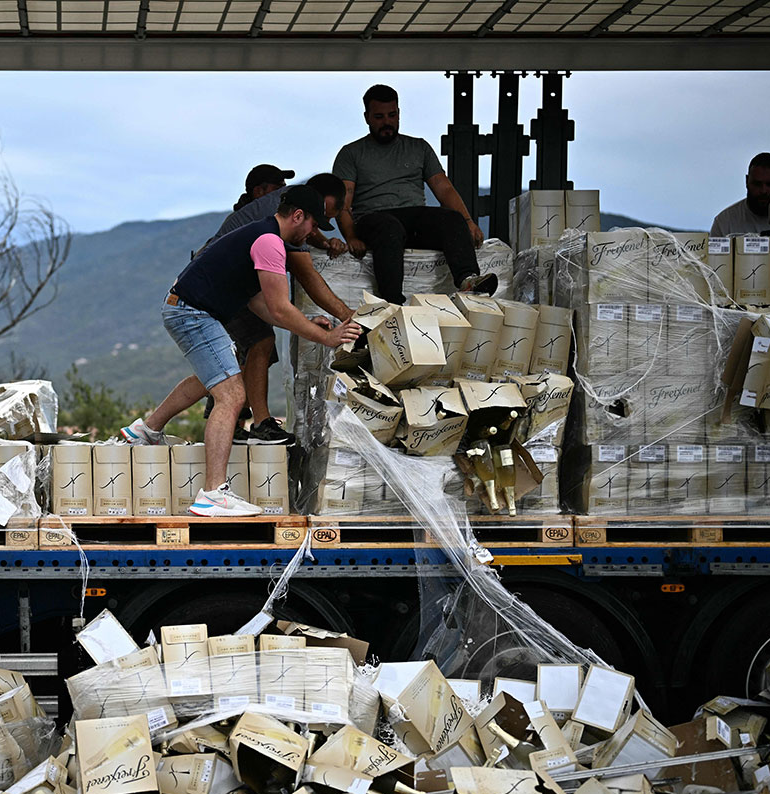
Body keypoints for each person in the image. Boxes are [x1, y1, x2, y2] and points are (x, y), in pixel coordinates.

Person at [121, 186, 362, 517]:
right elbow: (278, 310)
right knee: (232, 394)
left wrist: (305, 321)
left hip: (189, 307)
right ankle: (213, 495)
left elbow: (259, 302)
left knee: (218, 374)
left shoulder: (263, 236)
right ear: (297, 216)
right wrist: (329, 337)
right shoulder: (269, 242)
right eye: (312, 225)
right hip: (192, 311)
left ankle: (145, 430)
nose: (313, 234)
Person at [196, 171, 356, 445]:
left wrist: (324, 242)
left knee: (245, 355)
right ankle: (260, 423)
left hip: (229, 284)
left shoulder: (286, 210)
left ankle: (227, 417)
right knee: (259, 341)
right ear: (302, 212)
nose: (316, 228)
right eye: (318, 220)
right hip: (217, 285)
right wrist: (350, 318)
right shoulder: (275, 228)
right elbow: (307, 277)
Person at [333, 84, 496, 305]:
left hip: (413, 219)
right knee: (389, 227)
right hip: (374, 221)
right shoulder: (351, 153)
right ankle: (392, 302)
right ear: (367, 118)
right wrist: (351, 237)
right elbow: (343, 203)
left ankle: (468, 280)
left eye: (392, 115)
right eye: (379, 117)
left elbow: (444, 188)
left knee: (451, 218)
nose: (387, 122)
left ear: (399, 113)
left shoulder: (419, 148)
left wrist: (467, 221)